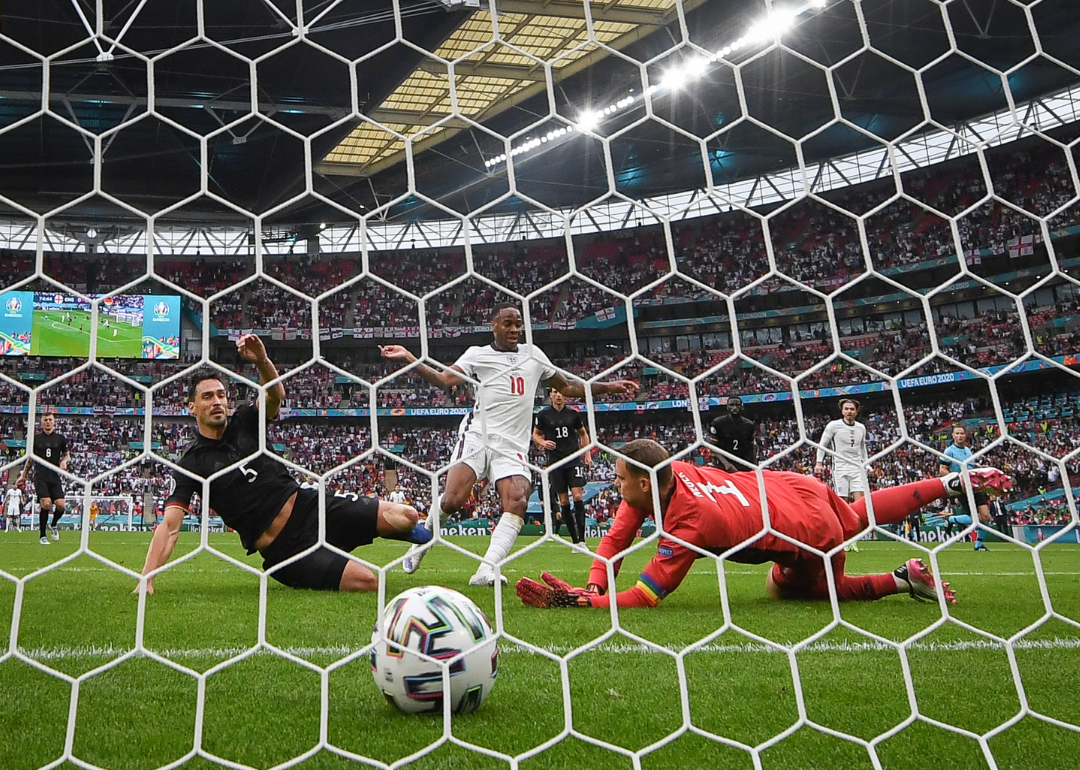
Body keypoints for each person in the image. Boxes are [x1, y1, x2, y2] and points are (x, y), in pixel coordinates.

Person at [516, 438, 1011, 609]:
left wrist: (594, 605)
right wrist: (591, 584)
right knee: (857, 516)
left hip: (803, 530)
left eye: (620, 478)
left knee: (799, 591)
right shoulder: (670, 475)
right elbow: (614, 543)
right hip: (786, 488)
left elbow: (645, 597)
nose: (613, 483)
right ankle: (951, 483)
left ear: (644, 484)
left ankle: (904, 579)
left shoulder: (691, 521)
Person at [135, 334, 430, 594]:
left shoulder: (245, 421)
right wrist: (147, 576)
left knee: (407, 516)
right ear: (192, 407)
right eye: (208, 396)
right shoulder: (192, 462)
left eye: (222, 395)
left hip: (310, 506)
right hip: (285, 549)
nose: (217, 402)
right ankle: (333, 555)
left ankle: (388, 533)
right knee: (369, 581)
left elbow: (276, 396)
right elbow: (171, 526)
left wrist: (262, 361)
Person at [380, 303, 637, 586]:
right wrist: (409, 357)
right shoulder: (478, 355)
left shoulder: (533, 355)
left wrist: (607, 387)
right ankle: (423, 539)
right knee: (453, 501)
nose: (515, 329)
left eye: (518, 324)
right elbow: (443, 380)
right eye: (508, 324)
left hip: (512, 445)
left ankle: (487, 569)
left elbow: (568, 388)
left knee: (517, 499)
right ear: (494, 325)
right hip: (478, 435)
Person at [533, 387, 592, 546]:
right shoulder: (543, 415)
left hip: (573, 460)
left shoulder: (573, 414)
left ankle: (582, 540)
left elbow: (583, 433)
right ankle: (575, 541)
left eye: (560, 392)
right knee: (564, 501)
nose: (558, 395)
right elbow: (535, 434)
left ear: (565, 395)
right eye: (555, 392)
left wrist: (587, 454)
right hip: (555, 462)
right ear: (551, 395)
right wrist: (543, 442)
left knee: (578, 496)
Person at [814, 398, 869, 552]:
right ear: (842, 411)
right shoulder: (833, 426)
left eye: (852, 409)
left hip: (857, 467)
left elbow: (862, 447)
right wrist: (819, 462)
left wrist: (867, 463)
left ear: (856, 411)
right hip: (840, 468)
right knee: (843, 504)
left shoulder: (861, 428)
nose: (849, 412)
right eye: (846, 409)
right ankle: (843, 537)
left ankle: (854, 538)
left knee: (861, 503)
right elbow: (822, 445)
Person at [17, 411, 71, 545]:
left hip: (54, 475)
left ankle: (53, 525)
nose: (48, 422)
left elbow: (67, 454)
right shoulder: (36, 438)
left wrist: (64, 461)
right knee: (46, 503)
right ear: (42, 422)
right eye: (45, 419)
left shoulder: (60, 438)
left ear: (54, 422)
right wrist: (23, 476)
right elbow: (30, 459)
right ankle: (42, 536)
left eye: (50, 419)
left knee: (61, 506)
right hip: (40, 475)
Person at [939, 425, 991, 551]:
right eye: (957, 433)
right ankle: (950, 519)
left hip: (974, 486)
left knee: (986, 517)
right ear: (953, 435)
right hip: (962, 488)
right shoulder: (949, 451)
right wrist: (959, 479)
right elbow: (942, 470)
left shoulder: (968, 450)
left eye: (962, 433)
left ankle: (979, 545)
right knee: (975, 518)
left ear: (965, 435)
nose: (960, 436)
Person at [706, 396, 757, 470]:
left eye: (737, 405)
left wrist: (755, 465)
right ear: (727, 407)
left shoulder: (749, 425)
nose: (735, 407)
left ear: (742, 407)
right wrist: (726, 463)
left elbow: (752, 447)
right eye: (732, 405)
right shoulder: (717, 423)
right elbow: (713, 447)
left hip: (744, 465)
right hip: (724, 466)